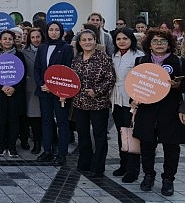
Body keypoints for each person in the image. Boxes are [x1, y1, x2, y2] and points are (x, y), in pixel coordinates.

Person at [132, 29, 185, 196]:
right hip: (147, 111)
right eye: (155, 41)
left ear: (169, 44)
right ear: (149, 44)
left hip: (170, 112)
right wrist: (133, 100)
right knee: (146, 145)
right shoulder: (141, 61)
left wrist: (179, 86)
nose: (159, 44)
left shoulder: (179, 62)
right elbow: (134, 85)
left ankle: (168, 179)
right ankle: (148, 175)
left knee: (171, 147)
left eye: (163, 41)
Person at [70, 29, 116, 178]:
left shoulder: (103, 57)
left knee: (99, 135)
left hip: (98, 103)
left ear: (95, 41)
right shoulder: (77, 58)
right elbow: (71, 78)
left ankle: (98, 167)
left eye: (90, 39)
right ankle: (84, 163)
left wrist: (97, 90)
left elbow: (110, 78)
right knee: (83, 134)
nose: (87, 42)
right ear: (80, 42)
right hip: (79, 103)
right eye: (84, 40)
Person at [34, 21, 74, 166]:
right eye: (51, 29)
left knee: (62, 123)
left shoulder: (67, 48)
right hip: (44, 91)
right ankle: (48, 151)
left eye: (57, 30)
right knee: (46, 121)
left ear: (61, 32)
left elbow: (68, 70)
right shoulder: (43, 47)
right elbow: (37, 69)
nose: (54, 32)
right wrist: (41, 84)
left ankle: (62, 153)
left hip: (60, 92)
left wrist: (57, 87)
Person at [110, 27, 143, 183]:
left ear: (131, 40)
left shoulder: (139, 56)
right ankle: (123, 164)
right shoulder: (114, 56)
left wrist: (136, 98)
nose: (122, 42)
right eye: (118, 39)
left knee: (132, 134)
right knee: (120, 132)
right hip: (116, 99)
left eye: (125, 38)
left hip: (132, 100)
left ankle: (133, 169)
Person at [0, 30, 27, 158]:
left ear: (13, 40)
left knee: (13, 120)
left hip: (15, 94)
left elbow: (23, 75)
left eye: (10, 39)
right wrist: (2, 87)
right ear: (0, 40)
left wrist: (13, 88)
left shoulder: (20, 55)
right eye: (5, 39)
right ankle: (1, 146)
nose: (7, 41)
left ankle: (12, 146)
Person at [22, 27, 43, 154]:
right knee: (33, 118)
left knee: (46, 118)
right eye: (33, 37)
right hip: (31, 88)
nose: (36, 40)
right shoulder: (24, 52)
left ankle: (50, 142)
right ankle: (37, 143)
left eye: (38, 37)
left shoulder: (46, 50)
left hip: (46, 88)